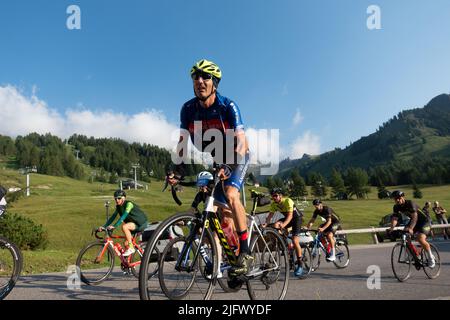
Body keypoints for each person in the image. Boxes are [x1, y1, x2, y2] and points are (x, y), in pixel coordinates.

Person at [169, 59, 252, 276]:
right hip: (218, 160)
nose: (200, 81)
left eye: (206, 77)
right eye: (196, 77)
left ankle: (246, 251)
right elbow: (182, 144)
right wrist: (176, 170)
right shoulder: (187, 110)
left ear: (214, 82)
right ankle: (228, 259)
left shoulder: (227, 106)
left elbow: (242, 143)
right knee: (213, 212)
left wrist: (229, 165)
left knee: (232, 194)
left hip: (237, 156)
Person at [263, 187, 305, 277]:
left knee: (294, 240)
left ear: (280, 195)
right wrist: (265, 224)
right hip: (288, 219)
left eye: (275, 196)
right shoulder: (274, 204)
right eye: (272, 196)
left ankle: (300, 263)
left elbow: (290, 216)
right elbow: (270, 216)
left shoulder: (288, 201)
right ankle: (284, 243)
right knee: (275, 225)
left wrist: (284, 225)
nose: (274, 198)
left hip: (296, 219)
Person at [388, 190, 435, 268]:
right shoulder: (396, 207)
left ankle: (431, 258)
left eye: (398, 198)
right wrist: (391, 228)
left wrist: (411, 228)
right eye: (395, 199)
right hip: (414, 222)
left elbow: (415, 217)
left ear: (403, 197)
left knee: (420, 238)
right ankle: (413, 254)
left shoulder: (410, 203)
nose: (397, 200)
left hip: (424, 221)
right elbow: (395, 218)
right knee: (405, 236)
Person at [98, 190, 148, 256]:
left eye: (119, 198)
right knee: (126, 244)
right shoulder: (118, 207)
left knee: (125, 227)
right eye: (115, 198)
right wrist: (104, 226)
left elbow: (124, 215)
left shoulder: (129, 204)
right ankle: (129, 264)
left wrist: (115, 226)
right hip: (133, 223)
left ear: (123, 198)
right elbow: (113, 217)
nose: (117, 200)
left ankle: (131, 248)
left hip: (141, 223)